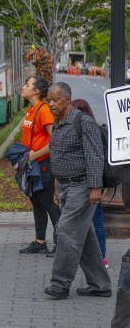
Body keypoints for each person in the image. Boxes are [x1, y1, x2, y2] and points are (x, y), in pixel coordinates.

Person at [43, 82, 111, 299]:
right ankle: (100, 284)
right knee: (84, 236)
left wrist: (95, 188)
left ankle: (60, 284)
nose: (51, 104)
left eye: (55, 100)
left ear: (68, 100)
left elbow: (94, 156)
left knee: (65, 231)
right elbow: (57, 155)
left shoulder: (83, 122)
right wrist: (56, 185)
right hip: (64, 185)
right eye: (49, 100)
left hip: (81, 186)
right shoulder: (58, 122)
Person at [17, 77, 59, 254]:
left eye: (27, 85)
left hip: (42, 164)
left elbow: (55, 140)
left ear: (36, 91)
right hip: (32, 164)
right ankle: (40, 241)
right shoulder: (31, 110)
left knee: (48, 203)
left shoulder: (44, 111)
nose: (23, 87)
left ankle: (62, 243)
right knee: (37, 202)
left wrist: (34, 155)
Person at [70, 99, 109, 270]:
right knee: (96, 220)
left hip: (88, 183)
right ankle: (100, 257)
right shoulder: (94, 128)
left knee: (92, 221)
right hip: (93, 182)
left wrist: (94, 186)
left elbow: (93, 158)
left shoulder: (86, 130)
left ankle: (98, 258)